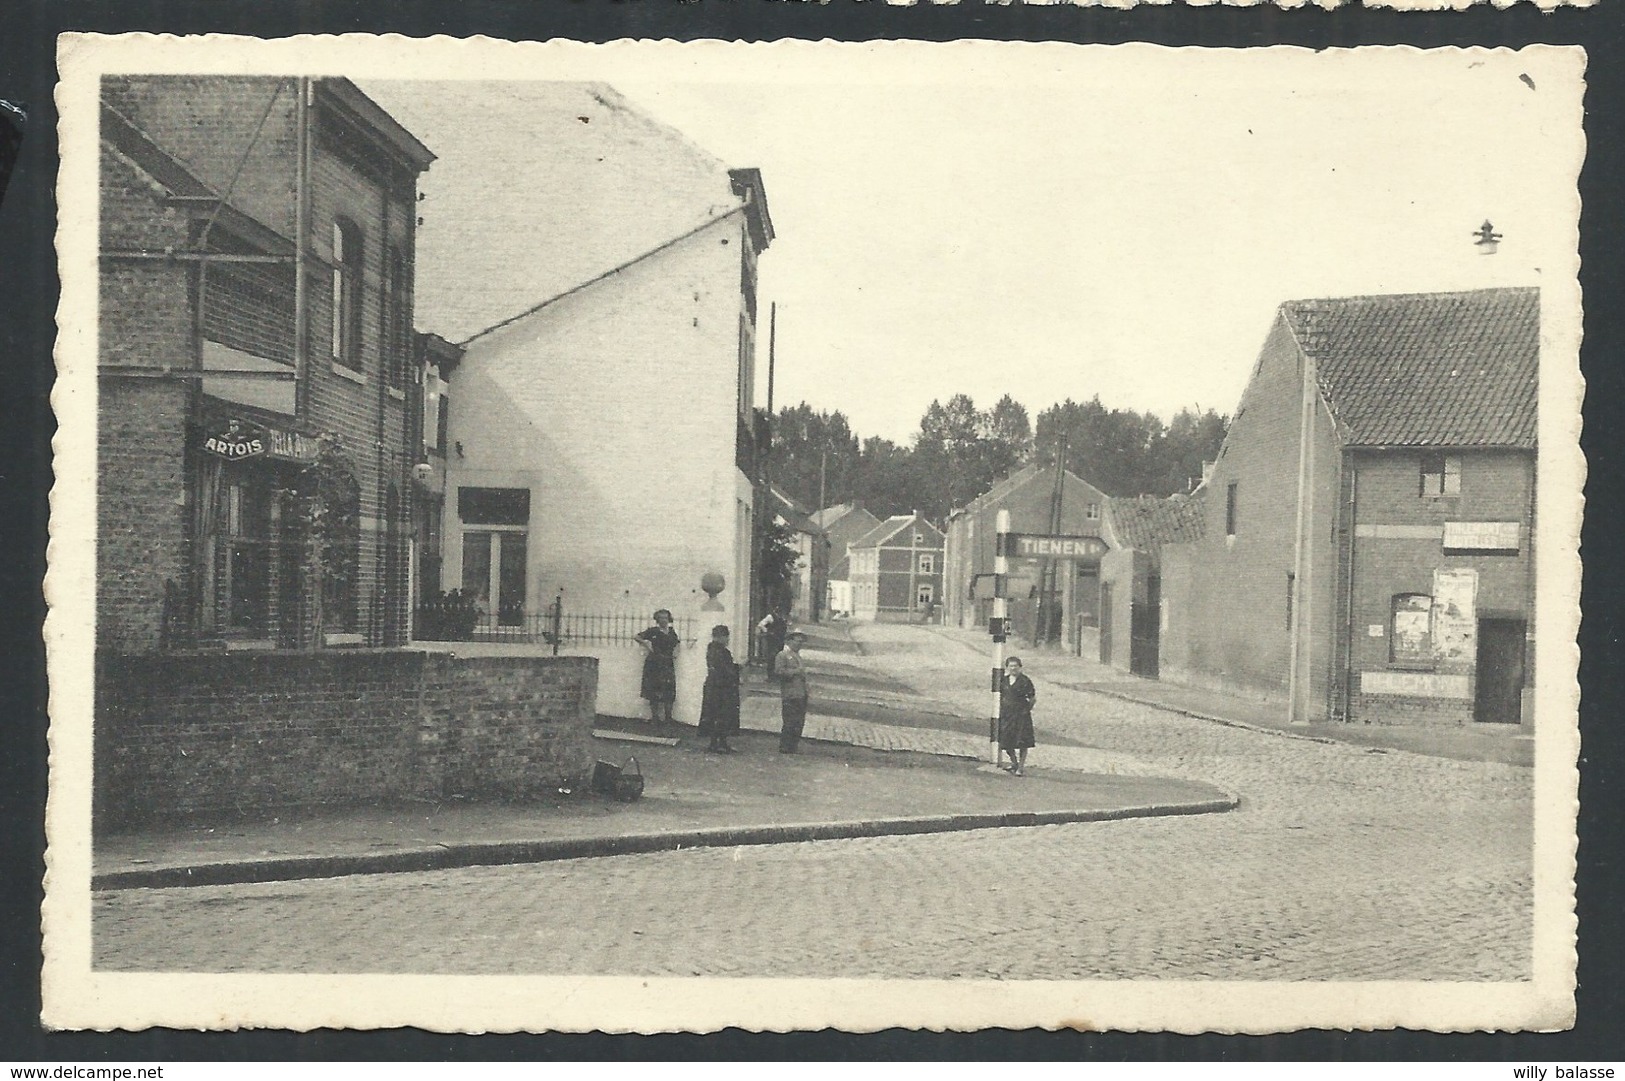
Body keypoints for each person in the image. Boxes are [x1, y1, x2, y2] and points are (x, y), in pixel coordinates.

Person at [699, 624, 741, 753]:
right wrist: (736, 670)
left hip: (720, 686)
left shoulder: (718, 650)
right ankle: (715, 743)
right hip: (718, 687)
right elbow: (723, 669)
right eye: (725, 637)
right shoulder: (716, 650)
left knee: (723, 715)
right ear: (719, 637)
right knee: (717, 715)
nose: (727, 640)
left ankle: (722, 742)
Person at [634, 609, 681, 725]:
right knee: (653, 690)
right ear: (657, 619)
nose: (663, 620)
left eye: (665, 617)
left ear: (669, 619)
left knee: (668, 690)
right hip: (654, 663)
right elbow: (637, 637)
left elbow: (677, 643)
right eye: (661, 618)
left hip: (667, 663)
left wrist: (675, 653)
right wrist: (646, 644)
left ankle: (668, 718)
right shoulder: (653, 631)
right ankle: (655, 718)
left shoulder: (671, 632)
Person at [998, 656, 1037, 776]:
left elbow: (1032, 698)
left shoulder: (1025, 681)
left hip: (1021, 714)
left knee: (1022, 742)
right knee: (1005, 740)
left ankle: (1020, 767)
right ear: (1007, 668)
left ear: (1020, 667)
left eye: (1016, 666)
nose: (1013, 668)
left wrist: (1025, 710)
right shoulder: (1004, 680)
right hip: (1007, 714)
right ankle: (1014, 762)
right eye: (1011, 666)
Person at [772, 629, 810, 754]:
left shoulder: (797, 656)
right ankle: (785, 746)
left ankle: (793, 746)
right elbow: (778, 672)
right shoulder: (783, 655)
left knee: (799, 721)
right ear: (789, 641)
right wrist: (795, 672)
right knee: (790, 721)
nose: (799, 644)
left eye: (801, 642)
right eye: (797, 641)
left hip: (800, 693)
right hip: (790, 693)